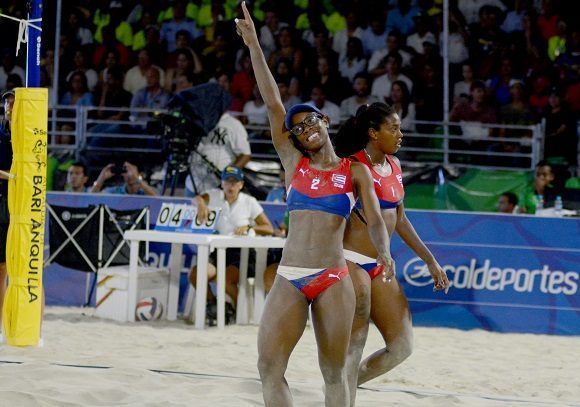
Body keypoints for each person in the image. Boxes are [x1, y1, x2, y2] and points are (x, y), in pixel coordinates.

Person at [235, 4, 394, 406]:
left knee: (334, 372)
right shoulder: (294, 164)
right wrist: (254, 44)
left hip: (332, 278)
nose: (305, 130)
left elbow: (375, 219)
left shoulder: (353, 170)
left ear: (325, 119)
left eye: (310, 121)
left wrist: (387, 251)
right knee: (269, 368)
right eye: (298, 128)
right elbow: (273, 103)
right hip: (290, 275)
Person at [332, 102, 450, 406]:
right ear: (373, 133)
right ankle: (344, 396)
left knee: (401, 347)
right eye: (394, 128)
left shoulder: (395, 166)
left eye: (399, 128)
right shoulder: (353, 166)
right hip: (350, 260)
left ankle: (343, 387)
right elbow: (354, 218)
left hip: (379, 264)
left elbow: (401, 219)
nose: (401, 134)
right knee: (355, 343)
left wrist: (430, 260)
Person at [189, 166, 274, 323]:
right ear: (222, 183)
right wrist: (201, 203)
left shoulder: (249, 202)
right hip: (219, 250)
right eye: (227, 182)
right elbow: (196, 198)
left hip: (243, 253)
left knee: (225, 279)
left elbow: (268, 228)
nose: (231, 186)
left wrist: (249, 227)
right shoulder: (214, 196)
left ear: (241, 184)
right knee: (196, 274)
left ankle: (237, 312)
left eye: (234, 182)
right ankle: (213, 304)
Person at [0, 90, 15, 330]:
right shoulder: (1, 136)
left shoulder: (31, 138)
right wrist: (12, 177)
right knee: (1, 269)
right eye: (7, 104)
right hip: (3, 203)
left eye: (13, 104)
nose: (10, 108)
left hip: (21, 206)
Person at [91, 161, 158, 196]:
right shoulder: (115, 191)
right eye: (126, 170)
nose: (129, 174)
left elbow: (157, 199)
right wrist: (101, 178)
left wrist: (137, 178)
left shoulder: (146, 191)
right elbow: (92, 197)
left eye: (131, 169)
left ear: (141, 174)